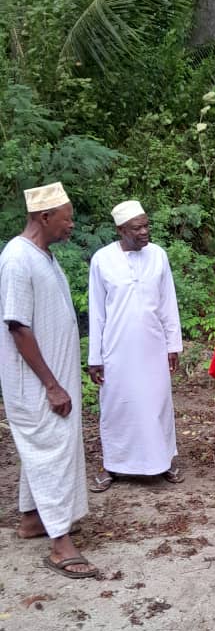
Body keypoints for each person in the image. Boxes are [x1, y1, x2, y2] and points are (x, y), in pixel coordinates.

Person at [0, 182, 97, 579]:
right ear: (44, 217)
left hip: (54, 378)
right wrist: (51, 384)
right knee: (51, 450)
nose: (71, 224)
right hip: (37, 383)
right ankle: (60, 545)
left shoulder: (45, 256)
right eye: (66, 217)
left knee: (49, 447)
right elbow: (18, 326)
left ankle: (31, 519)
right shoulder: (17, 258)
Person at [87, 200, 183, 490]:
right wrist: (95, 357)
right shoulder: (102, 259)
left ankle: (164, 461)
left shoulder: (158, 256)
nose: (144, 232)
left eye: (146, 225)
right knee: (118, 406)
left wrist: (173, 344)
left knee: (157, 403)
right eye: (136, 227)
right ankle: (113, 465)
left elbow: (168, 302)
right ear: (120, 230)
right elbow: (97, 312)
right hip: (116, 349)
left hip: (153, 346)